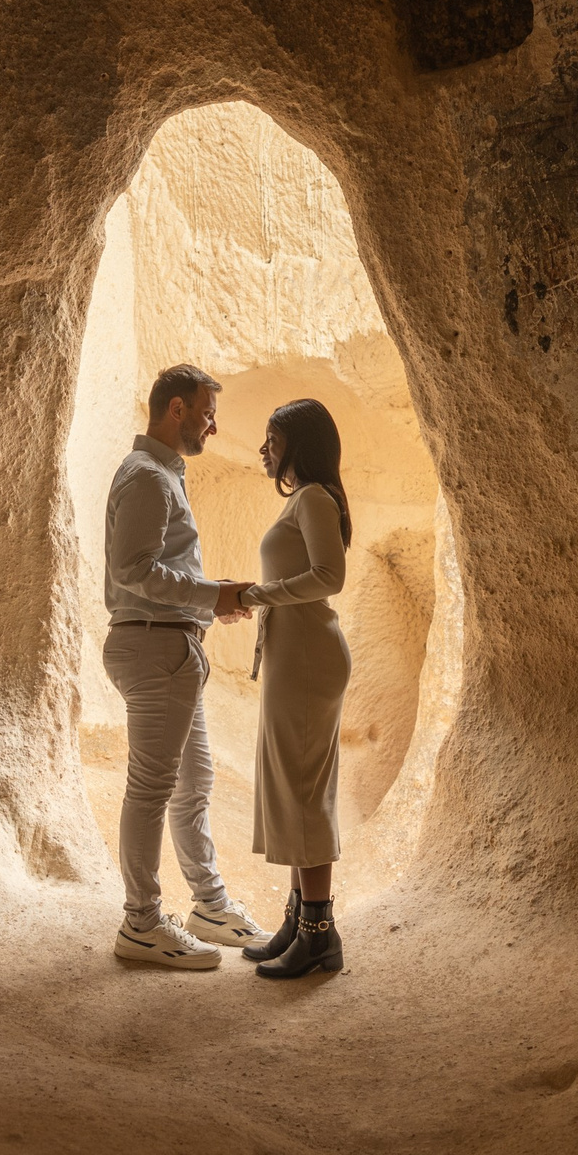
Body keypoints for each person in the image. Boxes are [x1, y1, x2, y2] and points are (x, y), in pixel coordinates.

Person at [102, 363, 274, 969]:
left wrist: (210, 601)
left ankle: (207, 905)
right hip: (154, 648)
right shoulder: (148, 477)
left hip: (171, 645)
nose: (213, 424)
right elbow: (132, 571)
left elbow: (153, 570)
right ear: (175, 409)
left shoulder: (159, 475)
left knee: (193, 784)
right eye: (205, 412)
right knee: (152, 788)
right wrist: (212, 596)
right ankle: (141, 925)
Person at [231, 398, 353, 979]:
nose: (264, 450)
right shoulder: (309, 499)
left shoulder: (312, 499)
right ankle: (297, 921)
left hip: (306, 657)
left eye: (273, 440)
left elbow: (330, 577)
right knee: (291, 788)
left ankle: (318, 935)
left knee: (302, 794)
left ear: (298, 446)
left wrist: (256, 595)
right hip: (294, 654)